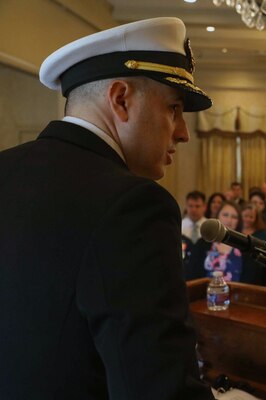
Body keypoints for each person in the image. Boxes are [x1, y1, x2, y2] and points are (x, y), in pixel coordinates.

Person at [0, 18, 214, 398]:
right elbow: (158, 389)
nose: (182, 132)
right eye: (174, 108)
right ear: (120, 99)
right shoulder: (134, 205)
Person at [204, 201, 266, 285]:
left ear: (239, 221)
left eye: (234, 217)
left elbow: (253, 279)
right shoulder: (203, 242)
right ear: (217, 216)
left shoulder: (246, 246)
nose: (229, 220)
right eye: (225, 215)